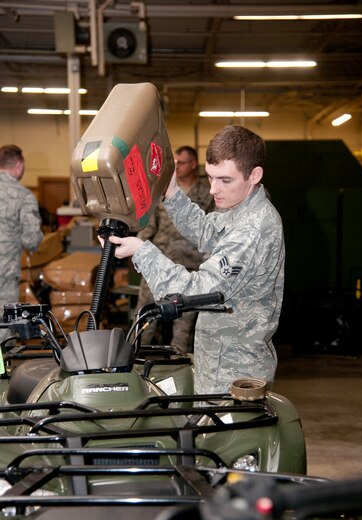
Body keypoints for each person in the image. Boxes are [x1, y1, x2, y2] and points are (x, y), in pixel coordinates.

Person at [107, 125, 285, 394]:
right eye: (211, 178)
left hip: (235, 372)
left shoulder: (254, 229)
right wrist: (173, 194)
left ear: (255, 175)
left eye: (225, 180)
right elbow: (206, 231)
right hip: (219, 359)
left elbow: (198, 291)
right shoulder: (240, 208)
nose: (214, 189)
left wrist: (142, 251)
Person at [135, 145, 213, 351]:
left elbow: (211, 229)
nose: (176, 166)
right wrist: (139, 248)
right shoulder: (163, 189)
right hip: (158, 261)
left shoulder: (209, 192)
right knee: (144, 320)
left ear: (194, 164)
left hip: (190, 266)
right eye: (175, 162)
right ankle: (132, 367)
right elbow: (149, 225)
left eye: (182, 162)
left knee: (183, 327)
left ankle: (178, 373)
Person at [0, 145, 43, 333]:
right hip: (5, 272)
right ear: (18, 165)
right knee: (4, 324)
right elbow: (31, 239)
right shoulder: (24, 196)